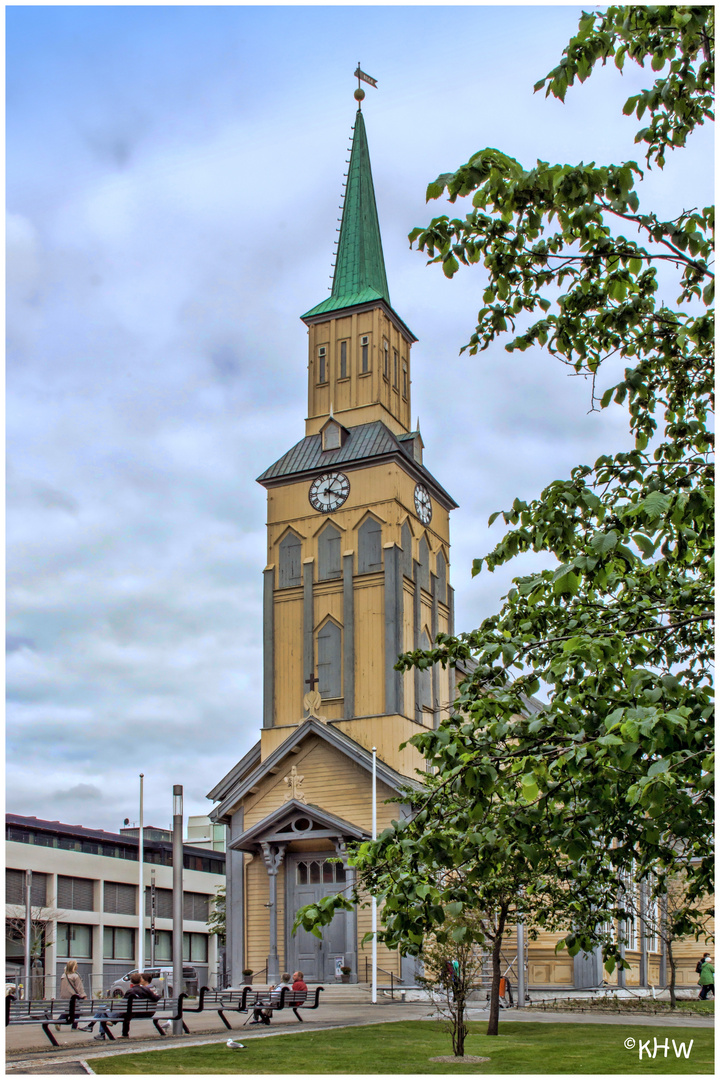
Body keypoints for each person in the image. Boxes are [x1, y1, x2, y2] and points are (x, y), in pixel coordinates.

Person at [58, 960, 87, 1030]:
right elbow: (79, 987)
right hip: (74, 996)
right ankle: (73, 1026)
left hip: (65, 996)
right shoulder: (75, 976)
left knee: (69, 1010)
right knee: (77, 1011)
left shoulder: (64, 975)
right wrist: (83, 996)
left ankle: (59, 1021)